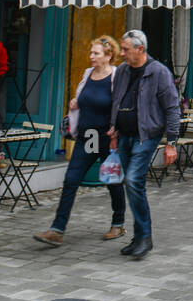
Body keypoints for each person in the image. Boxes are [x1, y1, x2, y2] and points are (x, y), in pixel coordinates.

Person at [34, 36, 127, 247]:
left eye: (96, 53)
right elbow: (83, 97)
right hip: (88, 137)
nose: (91, 57)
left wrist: (116, 133)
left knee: (111, 180)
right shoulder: (87, 74)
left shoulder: (115, 77)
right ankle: (57, 229)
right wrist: (76, 102)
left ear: (109, 55)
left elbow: (120, 106)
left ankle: (118, 222)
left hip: (107, 138)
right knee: (71, 179)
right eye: (91, 53)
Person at [107, 30, 182, 260]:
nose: (121, 53)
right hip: (125, 135)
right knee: (131, 184)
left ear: (140, 49)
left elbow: (172, 108)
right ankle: (139, 236)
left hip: (145, 135)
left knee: (133, 180)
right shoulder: (122, 71)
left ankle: (145, 238)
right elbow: (116, 100)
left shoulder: (158, 72)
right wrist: (113, 130)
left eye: (126, 49)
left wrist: (171, 142)